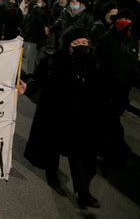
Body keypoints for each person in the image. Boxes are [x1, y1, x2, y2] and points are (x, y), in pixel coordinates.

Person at [20, 27, 102, 208]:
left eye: (84, 43)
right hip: (55, 114)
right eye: (76, 43)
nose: (81, 46)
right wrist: (28, 88)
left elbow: (100, 89)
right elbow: (38, 79)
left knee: (79, 155)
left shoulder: (92, 63)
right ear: (67, 45)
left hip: (80, 118)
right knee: (52, 148)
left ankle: (83, 193)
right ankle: (52, 173)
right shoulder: (53, 61)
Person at [95, 9, 138, 166]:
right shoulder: (105, 39)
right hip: (106, 88)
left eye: (127, 18)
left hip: (122, 89)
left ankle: (112, 148)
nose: (124, 21)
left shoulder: (131, 39)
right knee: (109, 120)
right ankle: (111, 150)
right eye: (121, 18)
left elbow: (132, 63)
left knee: (113, 119)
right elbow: (98, 63)